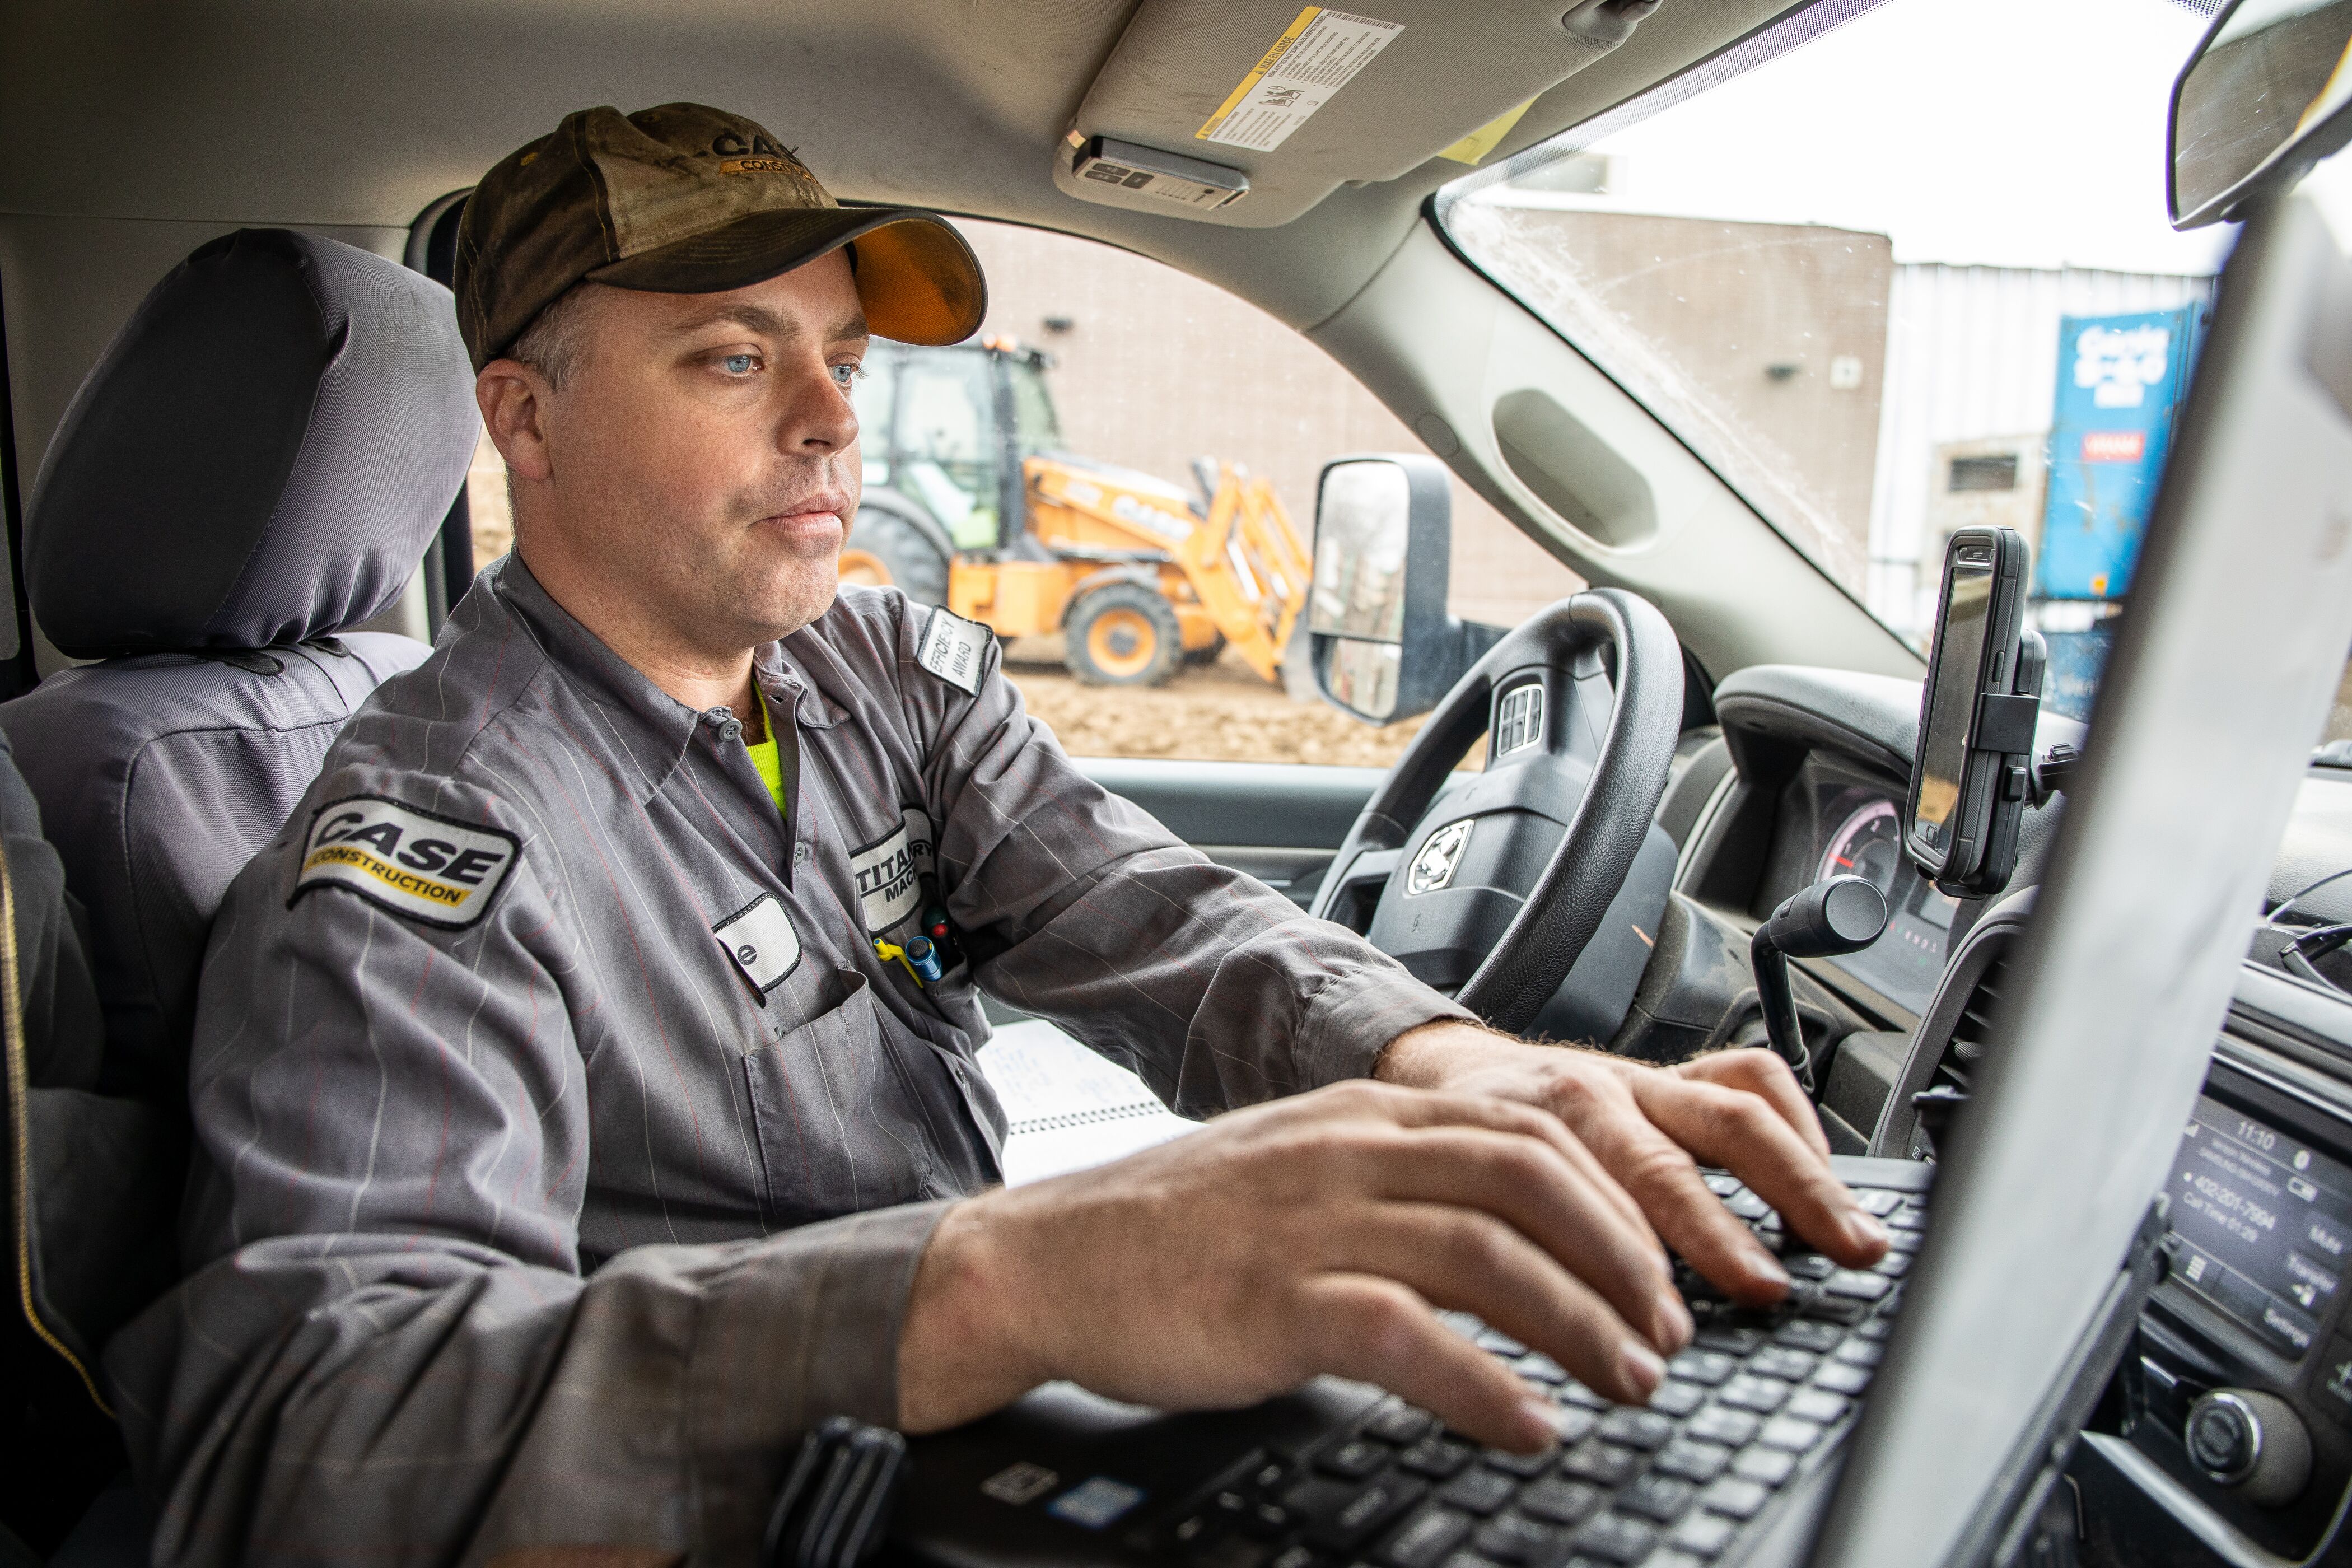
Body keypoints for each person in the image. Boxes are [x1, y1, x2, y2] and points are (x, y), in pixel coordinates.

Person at [108, 103, 1886, 1564]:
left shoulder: (876, 671)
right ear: (524, 417)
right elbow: (305, 1433)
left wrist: (1441, 1063)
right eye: (734, 359)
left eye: (844, 360)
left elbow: (1149, 908)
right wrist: (1015, 1276)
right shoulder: (435, 848)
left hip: (960, 1423)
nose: (828, 423)